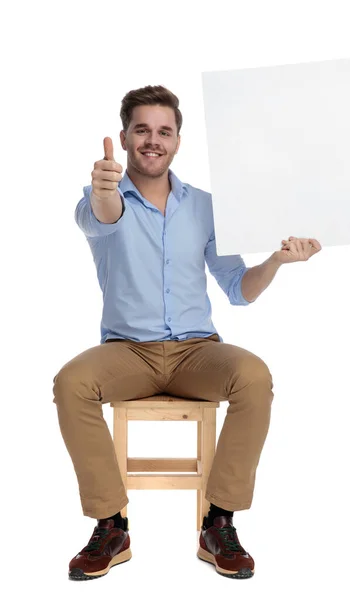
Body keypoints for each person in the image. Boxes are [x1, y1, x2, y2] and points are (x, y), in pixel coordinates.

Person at [52, 85, 322, 581]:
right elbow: (105, 217)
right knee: (71, 382)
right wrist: (105, 188)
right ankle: (111, 524)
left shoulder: (204, 206)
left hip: (197, 351)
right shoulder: (99, 199)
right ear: (124, 137)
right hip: (126, 353)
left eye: (164, 131)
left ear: (177, 141)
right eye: (142, 130)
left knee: (253, 376)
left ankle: (219, 521)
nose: (152, 140)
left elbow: (239, 290)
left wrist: (278, 261)